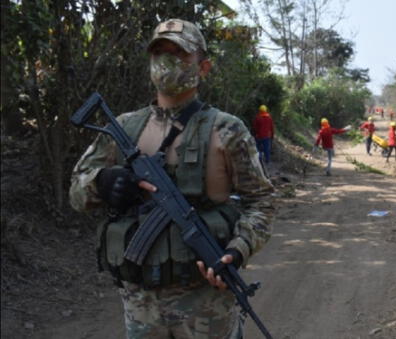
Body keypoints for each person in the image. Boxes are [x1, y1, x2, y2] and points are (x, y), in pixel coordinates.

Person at [69, 19, 275, 339]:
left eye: (179, 55)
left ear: (203, 67)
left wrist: (237, 250)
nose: (167, 62)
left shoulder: (226, 129)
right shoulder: (123, 128)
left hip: (207, 302)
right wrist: (102, 182)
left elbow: (261, 201)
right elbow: (77, 191)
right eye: (160, 53)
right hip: (141, 302)